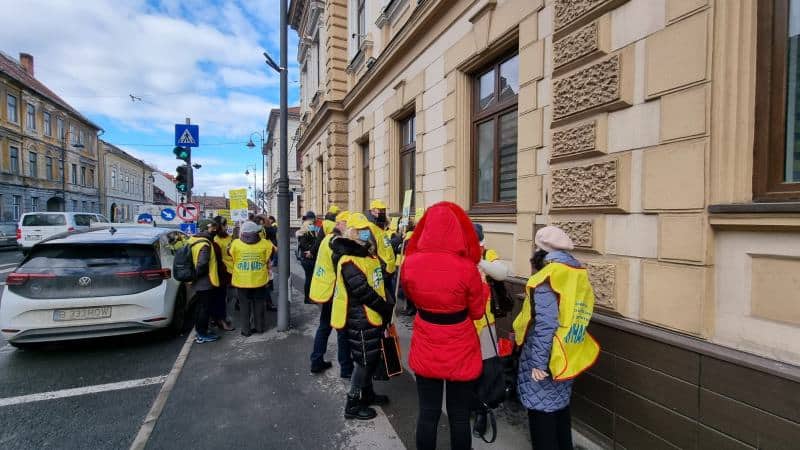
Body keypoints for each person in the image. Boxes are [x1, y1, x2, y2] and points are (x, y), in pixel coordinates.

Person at [400, 202, 485, 450]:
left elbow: (411, 297)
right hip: (460, 345)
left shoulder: (411, 263)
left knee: (428, 413)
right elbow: (478, 313)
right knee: (459, 416)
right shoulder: (467, 268)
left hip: (427, 340)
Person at [514, 226, 600, 450]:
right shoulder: (576, 272)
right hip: (568, 350)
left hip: (547, 356)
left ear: (539, 251)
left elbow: (546, 324)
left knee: (542, 414)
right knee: (559, 409)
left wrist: (538, 363)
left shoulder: (547, 277)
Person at [330, 213, 394, 421]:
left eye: (368, 229)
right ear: (353, 233)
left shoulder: (367, 254)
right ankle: (352, 404)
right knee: (363, 361)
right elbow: (362, 291)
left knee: (370, 357)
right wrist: (384, 308)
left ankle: (368, 395)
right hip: (360, 318)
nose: (367, 233)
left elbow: (376, 280)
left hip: (371, 316)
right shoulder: (349, 259)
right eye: (362, 230)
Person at [471, 223, 510, 437]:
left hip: (485, 322)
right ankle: (469, 402)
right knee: (466, 368)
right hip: (464, 322)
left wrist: (479, 260)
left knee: (485, 368)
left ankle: (482, 411)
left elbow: (502, 272)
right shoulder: (457, 255)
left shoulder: (487, 254)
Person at [308, 210, 354, 377]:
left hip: (325, 290)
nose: (350, 229)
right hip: (334, 291)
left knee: (325, 326)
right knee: (342, 329)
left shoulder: (328, 238)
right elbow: (343, 268)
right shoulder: (336, 242)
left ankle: (316, 360)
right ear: (339, 224)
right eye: (348, 225)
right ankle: (346, 368)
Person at [229, 221, 275, 336]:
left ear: (242, 232)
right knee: (259, 304)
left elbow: (231, 255)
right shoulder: (265, 243)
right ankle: (259, 328)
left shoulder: (236, 243)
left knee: (244, 306)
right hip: (259, 279)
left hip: (241, 280)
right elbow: (270, 255)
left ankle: (246, 330)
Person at [188, 228, 221, 344]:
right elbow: (202, 264)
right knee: (204, 308)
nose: (213, 231)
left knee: (200, 307)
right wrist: (196, 275)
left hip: (198, 282)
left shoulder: (192, 241)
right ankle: (202, 334)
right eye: (212, 229)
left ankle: (201, 331)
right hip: (204, 282)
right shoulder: (204, 244)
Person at [204, 218, 234, 332]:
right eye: (225, 225)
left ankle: (219, 318)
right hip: (222, 272)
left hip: (230, 270)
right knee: (220, 297)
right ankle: (219, 320)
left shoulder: (228, 237)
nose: (227, 227)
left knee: (226, 296)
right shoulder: (215, 239)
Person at [297, 211, 323, 304]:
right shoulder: (306, 230)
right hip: (308, 258)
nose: (313, 222)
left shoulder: (307, 229)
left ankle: (309, 297)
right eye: (312, 219)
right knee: (309, 278)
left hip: (308, 257)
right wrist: (311, 250)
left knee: (310, 278)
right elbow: (304, 244)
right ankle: (308, 298)